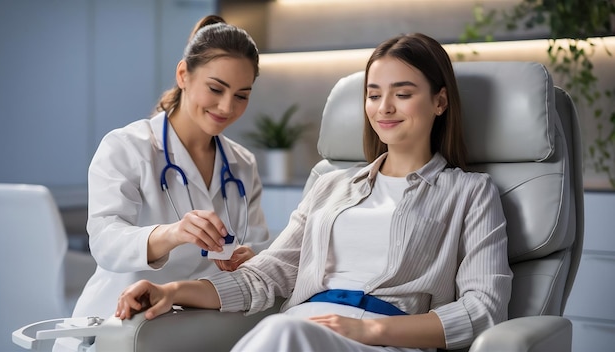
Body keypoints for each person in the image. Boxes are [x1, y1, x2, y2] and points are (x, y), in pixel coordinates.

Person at [115, 32, 513, 352]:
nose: (384, 108)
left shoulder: (469, 193)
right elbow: (266, 275)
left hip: (382, 340)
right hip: (301, 329)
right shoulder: (332, 185)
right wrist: (171, 290)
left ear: (439, 101)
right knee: (282, 332)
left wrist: (370, 331)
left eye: (403, 94)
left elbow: (484, 309)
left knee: (280, 335)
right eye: (374, 95)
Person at [72, 15, 271, 320]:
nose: (227, 107)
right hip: (119, 321)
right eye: (216, 89)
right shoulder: (127, 147)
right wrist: (173, 234)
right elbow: (105, 242)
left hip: (195, 324)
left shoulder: (242, 164)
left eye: (241, 96)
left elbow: (255, 246)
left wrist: (250, 257)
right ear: (183, 75)